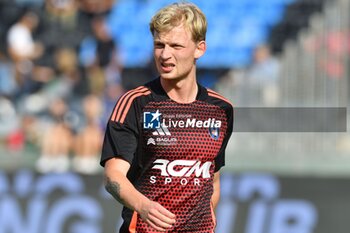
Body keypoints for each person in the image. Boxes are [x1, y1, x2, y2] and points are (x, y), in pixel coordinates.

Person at [100, 2, 233, 232]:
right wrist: (144, 207)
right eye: (159, 45)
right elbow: (113, 176)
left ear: (199, 49)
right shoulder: (135, 103)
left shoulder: (221, 108)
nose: (165, 54)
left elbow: (213, 180)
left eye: (176, 46)